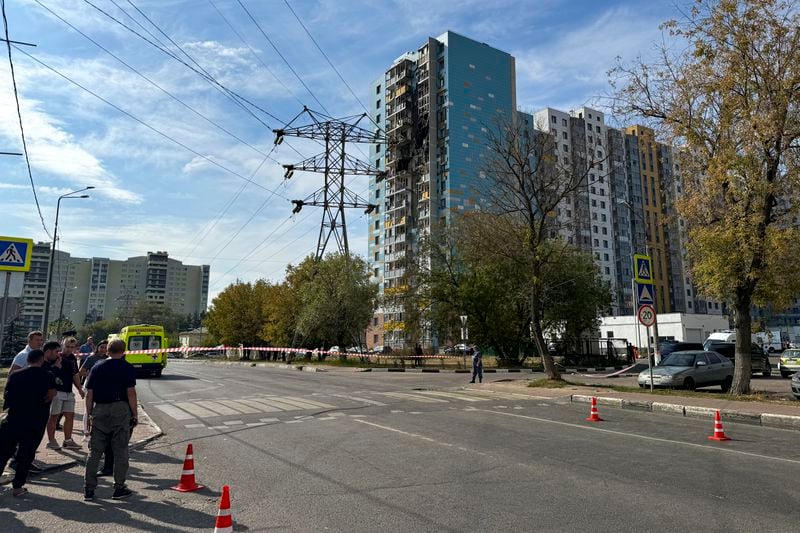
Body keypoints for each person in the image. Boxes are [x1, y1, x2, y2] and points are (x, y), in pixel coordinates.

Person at [84, 339, 137, 501]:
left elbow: (89, 393)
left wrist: (89, 414)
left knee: (95, 452)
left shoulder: (97, 367)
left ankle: (89, 489)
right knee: (121, 450)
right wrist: (134, 414)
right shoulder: (127, 368)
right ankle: (119, 487)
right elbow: (131, 393)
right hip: (120, 409)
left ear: (108, 351)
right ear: (124, 351)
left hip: (100, 409)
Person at [0, 349, 57, 497]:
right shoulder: (48, 376)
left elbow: (7, 396)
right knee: (26, 453)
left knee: (4, 451)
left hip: (14, 418)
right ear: (42, 359)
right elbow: (50, 396)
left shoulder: (15, 375)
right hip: (35, 420)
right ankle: (17, 487)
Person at [79, 340, 113, 475]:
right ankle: (87, 433)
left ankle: (99, 436)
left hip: (104, 390)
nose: (104, 349)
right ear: (98, 347)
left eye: (106, 347)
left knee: (100, 413)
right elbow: (81, 372)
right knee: (89, 411)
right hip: (91, 387)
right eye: (102, 347)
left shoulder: (109, 360)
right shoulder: (92, 358)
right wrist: (94, 375)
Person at [45, 337, 85, 450]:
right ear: (62, 345)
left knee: (70, 416)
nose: (69, 349)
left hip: (68, 391)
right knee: (54, 417)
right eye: (67, 346)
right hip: (56, 391)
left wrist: (80, 389)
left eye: (72, 347)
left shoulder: (72, 358)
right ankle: (51, 440)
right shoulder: (55, 356)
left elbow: (75, 375)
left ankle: (68, 440)